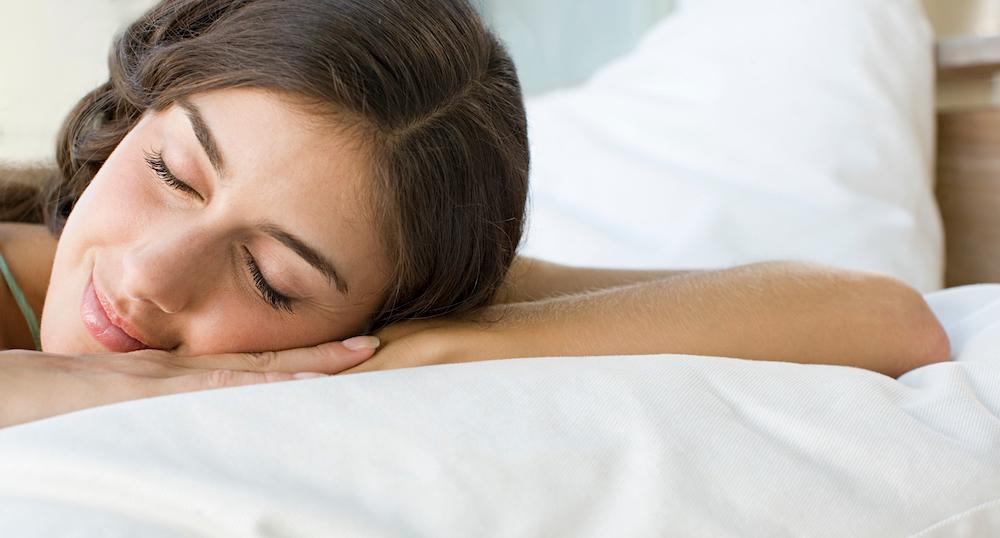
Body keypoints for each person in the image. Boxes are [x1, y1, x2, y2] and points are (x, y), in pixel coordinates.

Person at [0, 0, 949, 428]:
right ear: (136, 112)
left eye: (271, 279)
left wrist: (440, 350)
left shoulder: (392, 318)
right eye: (173, 172)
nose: (148, 275)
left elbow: (880, 315)